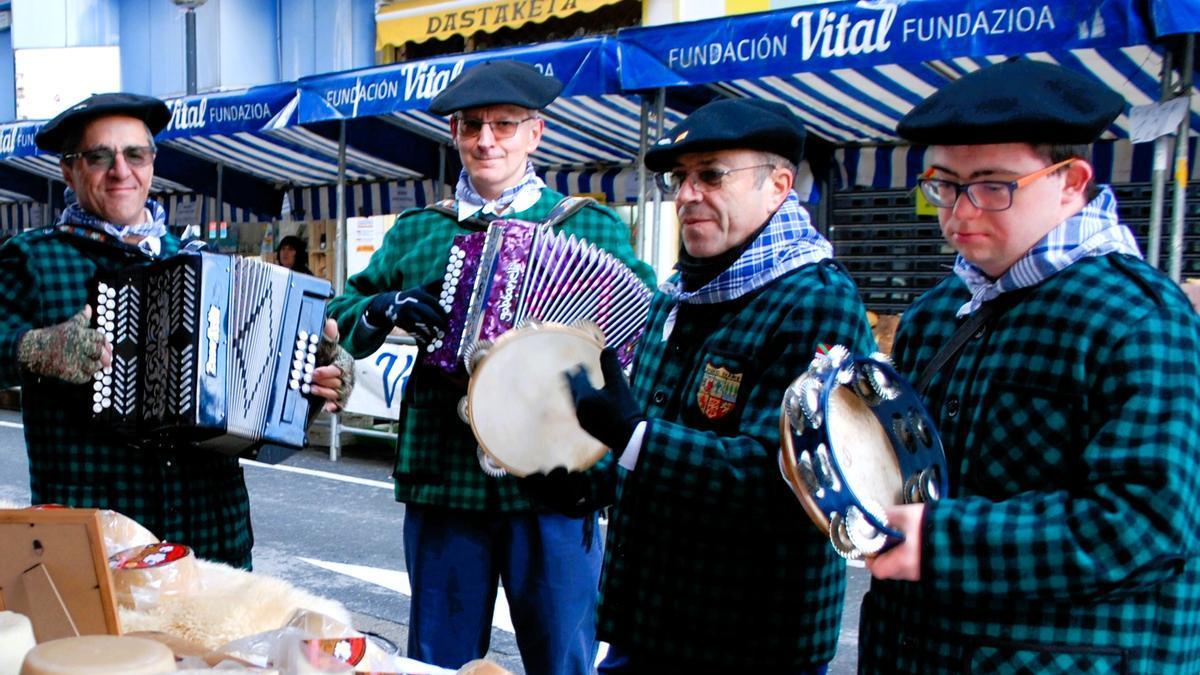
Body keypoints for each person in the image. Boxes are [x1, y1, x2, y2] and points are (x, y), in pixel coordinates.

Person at [859, 60, 1200, 672]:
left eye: (992, 185)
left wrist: (937, 541)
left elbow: (1145, 526)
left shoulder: (1140, 318)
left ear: (1071, 180)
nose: (960, 212)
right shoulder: (938, 312)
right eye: (943, 184)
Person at [522, 99, 876, 672]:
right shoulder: (679, 292)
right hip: (652, 620)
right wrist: (596, 483)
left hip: (750, 640)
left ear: (779, 184)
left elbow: (787, 480)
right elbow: (665, 435)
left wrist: (634, 438)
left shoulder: (816, 299)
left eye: (711, 174)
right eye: (679, 178)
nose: (686, 194)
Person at [326, 61, 654, 675]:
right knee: (439, 664)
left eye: (505, 125)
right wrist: (384, 306)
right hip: (445, 477)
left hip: (552, 476)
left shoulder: (589, 225)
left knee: (563, 661)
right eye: (471, 125)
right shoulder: (420, 230)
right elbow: (343, 315)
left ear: (536, 133)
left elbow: (641, 331)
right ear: (453, 133)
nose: (486, 139)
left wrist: (606, 456)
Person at [0, 93, 354, 569]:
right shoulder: (32, 260)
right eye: (99, 156)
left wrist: (315, 375)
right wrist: (32, 349)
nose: (120, 170)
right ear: (69, 170)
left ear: (151, 163)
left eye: (135, 154)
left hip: (212, 535)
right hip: (98, 541)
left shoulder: (207, 262)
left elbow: (261, 408)